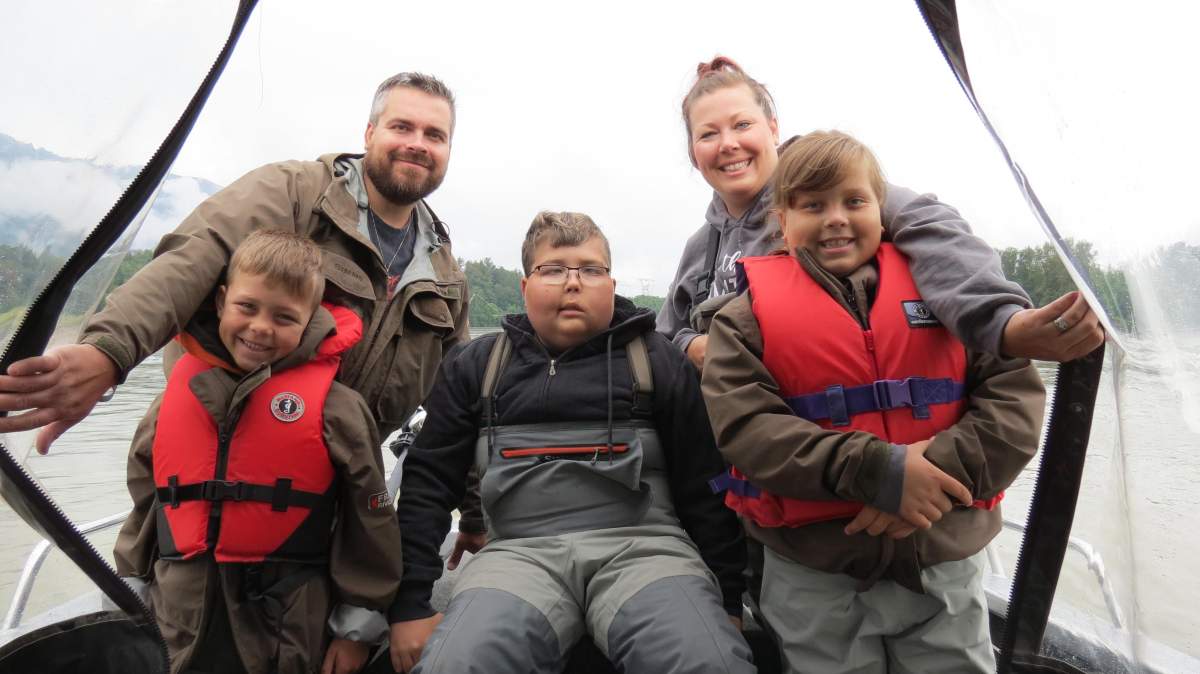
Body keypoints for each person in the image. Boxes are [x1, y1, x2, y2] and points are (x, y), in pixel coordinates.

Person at [0, 71, 487, 552]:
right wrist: (108, 352)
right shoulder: (293, 193)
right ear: (370, 132)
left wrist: (474, 511)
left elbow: (459, 406)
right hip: (205, 487)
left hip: (328, 511)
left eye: (434, 135)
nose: (417, 144)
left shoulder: (445, 278)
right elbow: (191, 260)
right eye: (402, 127)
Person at [701, 131, 1045, 673]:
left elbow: (1013, 401)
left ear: (881, 212)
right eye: (813, 205)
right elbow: (747, 429)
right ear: (783, 224)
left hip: (939, 556)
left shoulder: (948, 295)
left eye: (854, 201)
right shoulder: (741, 322)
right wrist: (879, 472)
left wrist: (930, 479)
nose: (836, 218)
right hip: (814, 571)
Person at [386, 212, 754, 674]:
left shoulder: (657, 359)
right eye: (554, 269)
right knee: (455, 664)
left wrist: (729, 599)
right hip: (517, 557)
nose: (573, 282)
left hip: (649, 553)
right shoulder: (476, 366)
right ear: (525, 287)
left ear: (612, 284)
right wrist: (411, 605)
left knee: (709, 662)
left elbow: (706, 485)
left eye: (591, 269)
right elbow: (428, 486)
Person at [660, 56, 1104, 369]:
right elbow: (664, 336)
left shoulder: (832, 191)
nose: (728, 144)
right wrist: (689, 345)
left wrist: (1003, 323)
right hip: (746, 446)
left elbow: (932, 224)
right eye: (708, 134)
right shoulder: (700, 247)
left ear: (772, 129)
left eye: (742, 125)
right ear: (694, 153)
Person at [114, 230, 404, 674]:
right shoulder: (172, 399)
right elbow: (146, 497)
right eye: (247, 307)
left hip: (286, 621)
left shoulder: (338, 409)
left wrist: (356, 628)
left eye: (285, 317)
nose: (261, 327)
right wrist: (131, 577)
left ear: (309, 320)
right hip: (179, 615)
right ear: (221, 301)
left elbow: (369, 518)